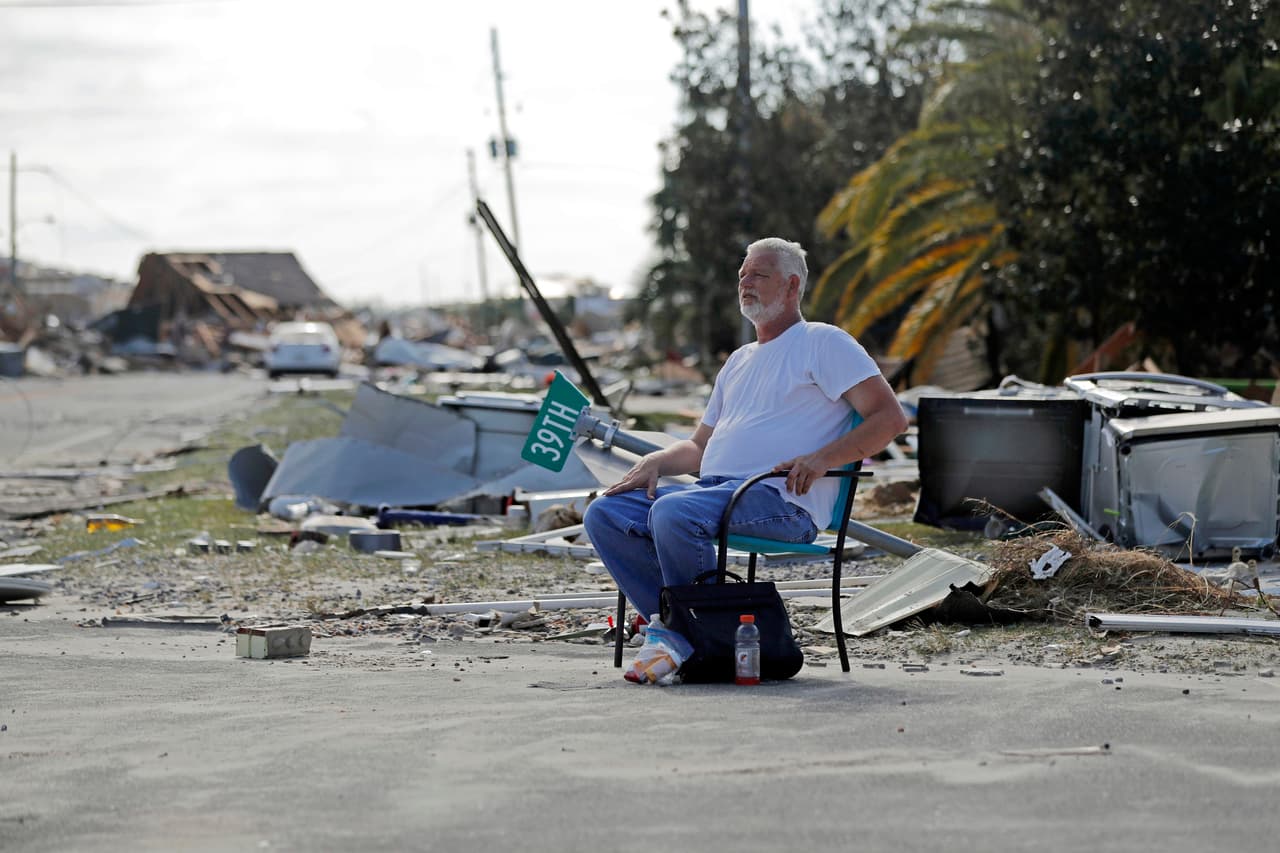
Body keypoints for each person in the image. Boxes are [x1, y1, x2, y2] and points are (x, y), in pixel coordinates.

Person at [582, 237, 909, 621]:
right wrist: (658, 460)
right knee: (605, 513)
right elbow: (699, 448)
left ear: (792, 286)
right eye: (742, 274)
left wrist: (823, 459)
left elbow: (890, 418)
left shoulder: (823, 342)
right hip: (715, 493)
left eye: (759, 274)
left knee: (674, 512)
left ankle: (701, 630)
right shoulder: (738, 360)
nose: (745, 282)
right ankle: (675, 624)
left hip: (781, 502)